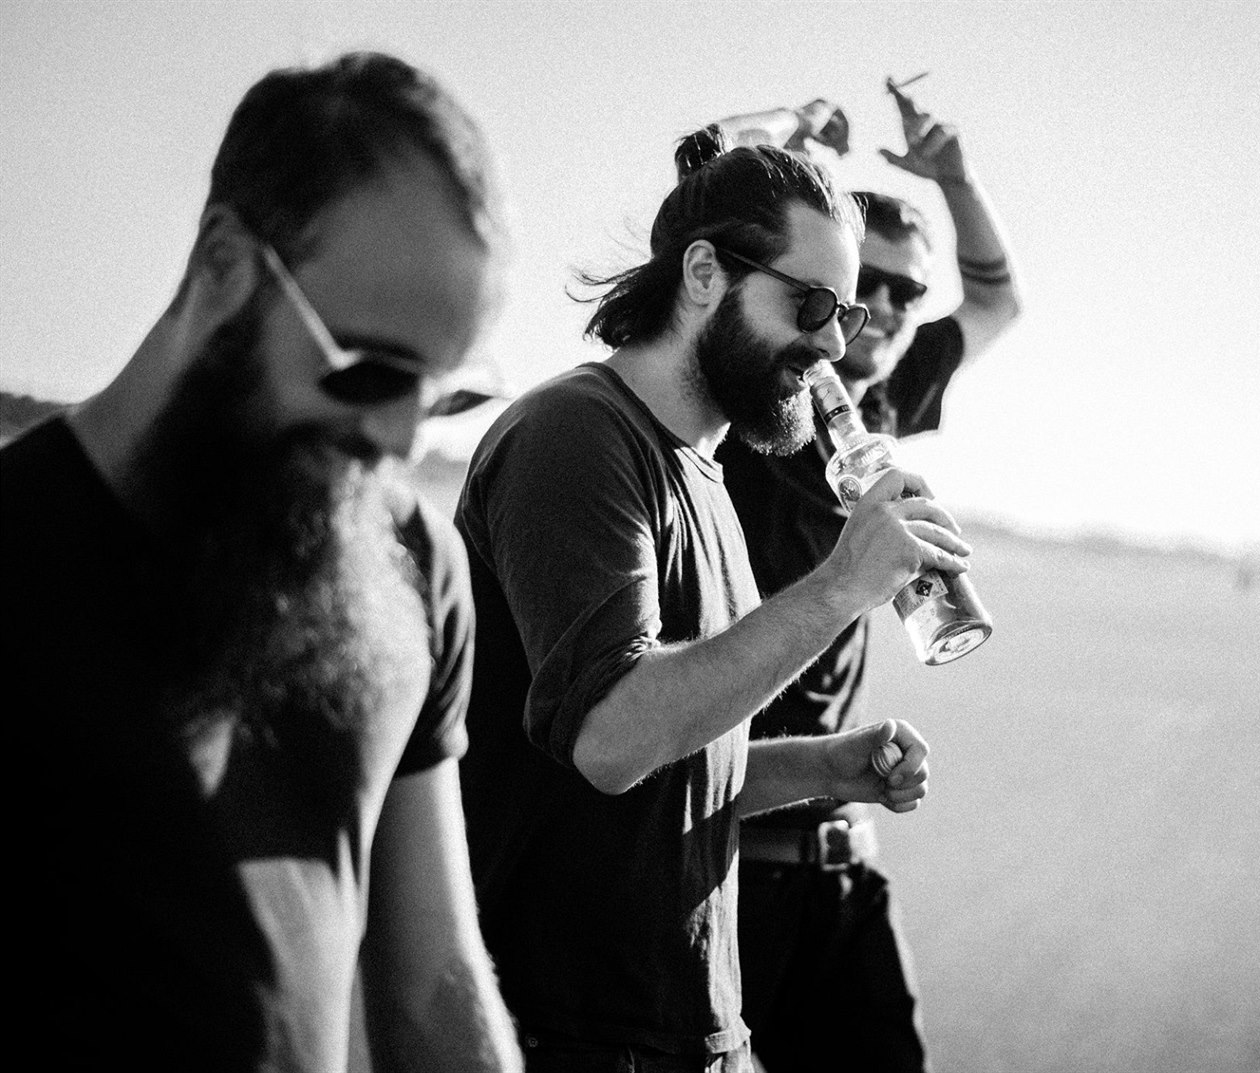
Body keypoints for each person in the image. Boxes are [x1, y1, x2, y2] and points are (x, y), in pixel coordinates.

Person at [1, 52, 523, 1071]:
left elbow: (433, 988)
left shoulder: (413, 562)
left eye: (443, 395)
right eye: (369, 370)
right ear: (224, 261)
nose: (398, 438)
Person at [456, 129, 968, 1071]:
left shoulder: (708, 475)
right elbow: (613, 739)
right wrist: (842, 585)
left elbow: (670, 768)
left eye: (849, 314)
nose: (834, 342)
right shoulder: (576, 434)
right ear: (703, 274)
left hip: (697, 1033)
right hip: (574, 1032)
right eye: (812, 303)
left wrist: (818, 765)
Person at [711, 81, 1023, 1073]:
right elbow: (705, 177)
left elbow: (998, 302)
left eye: (905, 294)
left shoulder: (881, 405)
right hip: (734, 862)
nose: (885, 310)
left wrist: (956, 177)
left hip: (842, 864)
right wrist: (793, 134)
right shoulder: (760, 391)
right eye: (866, 287)